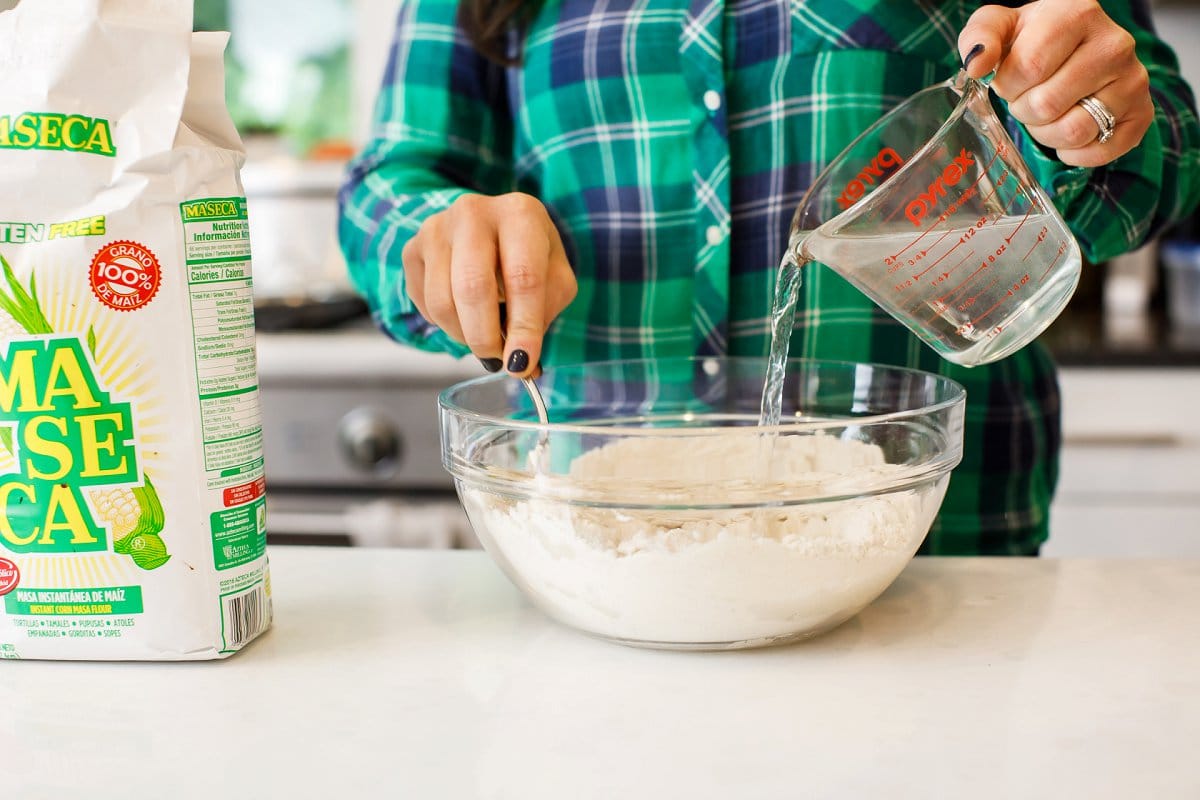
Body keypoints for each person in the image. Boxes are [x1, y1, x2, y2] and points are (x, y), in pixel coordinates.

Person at [339, 0, 1200, 555]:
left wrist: (1101, 114)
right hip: (596, 555)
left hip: (938, 559)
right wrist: (443, 236)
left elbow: (1164, 152)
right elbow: (393, 180)